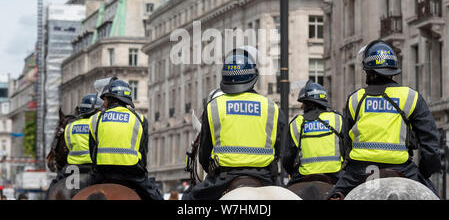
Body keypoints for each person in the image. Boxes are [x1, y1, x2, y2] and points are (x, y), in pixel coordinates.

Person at [327, 40, 441, 199]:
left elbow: (346, 142)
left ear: (368, 71)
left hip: (359, 171)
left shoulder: (355, 99)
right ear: (394, 71)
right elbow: (430, 142)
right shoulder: (410, 96)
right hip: (402, 169)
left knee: (332, 196)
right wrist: (425, 171)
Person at [182, 46, 286, 200]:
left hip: (223, 178)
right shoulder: (272, 108)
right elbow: (279, 151)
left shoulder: (214, 107)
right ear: (253, 77)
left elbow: (204, 154)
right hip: (264, 176)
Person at [88, 77, 163, 200]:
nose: (103, 103)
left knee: (80, 193)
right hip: (133, 173)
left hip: (103, 172)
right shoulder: (140, 119)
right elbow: (143, 151)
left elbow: (93, 152)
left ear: (111, 98)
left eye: (105, 99)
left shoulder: (96, 119)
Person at [282, 80, 345, 186]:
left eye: (303, 102)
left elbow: (288, 157)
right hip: (335, 176)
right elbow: (347, 148)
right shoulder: (337, 118)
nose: (301, 106)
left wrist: (291, 173)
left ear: (309, 103)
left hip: (304, 176)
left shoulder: (297, 122)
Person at [45, 94, 103, 199]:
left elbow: (66, 148)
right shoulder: (99, 125)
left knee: (52, 189)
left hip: (72, 169)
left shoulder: (69, 127)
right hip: (94, 169)